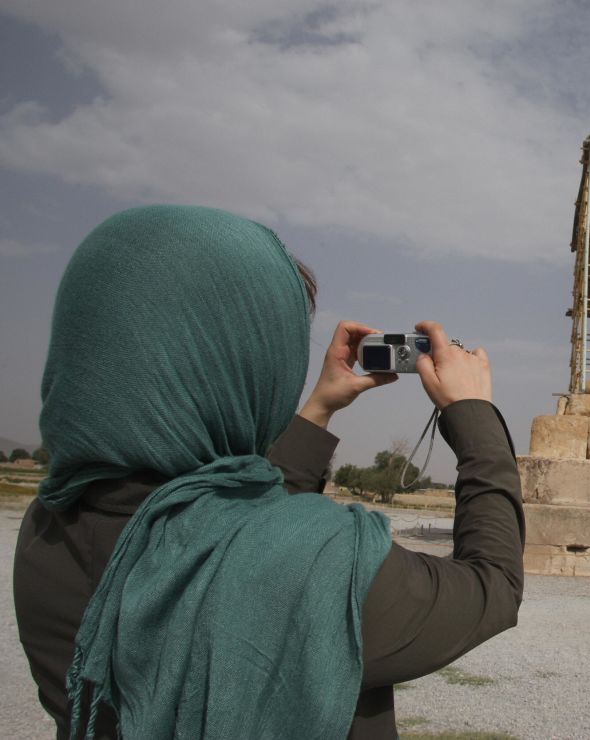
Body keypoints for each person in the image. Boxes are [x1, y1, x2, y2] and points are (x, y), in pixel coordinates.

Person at [12, 205, 524, 739]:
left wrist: (318, 408)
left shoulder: (46, 531)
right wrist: (473, 415)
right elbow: (492, 586)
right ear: (251, 361)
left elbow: (233, 527)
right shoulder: (319, 565)